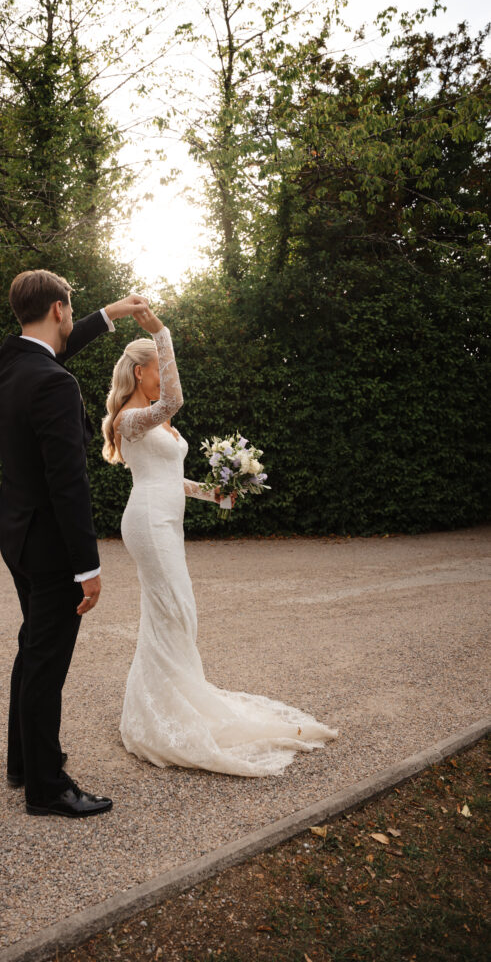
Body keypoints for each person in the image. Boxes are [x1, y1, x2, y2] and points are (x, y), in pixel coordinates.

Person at [101, 306, 338, 776]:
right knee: (174, 609)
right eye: (158, 368)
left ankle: (166, 702)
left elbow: (171, 475)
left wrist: (214, 493)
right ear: (141, 370)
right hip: (147, 521)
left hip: (167, 517)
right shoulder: (132, 419)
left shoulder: (154, 422)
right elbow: (173, 402)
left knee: (175, 612)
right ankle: (160, 716)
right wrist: (163, 333)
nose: (162, 378)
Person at [0, 268, 148, 817]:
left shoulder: (5, 363)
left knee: (32, 646)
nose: (72, 319)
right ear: (57, 310)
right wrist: (88, 566)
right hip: (53, 548)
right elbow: (68, 483)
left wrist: (110, 313)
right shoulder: (55, 383)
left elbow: (51, 350)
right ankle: (47, 787)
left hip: (17, 534)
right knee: (47, 662)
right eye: (71, 310)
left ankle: (22, 761)